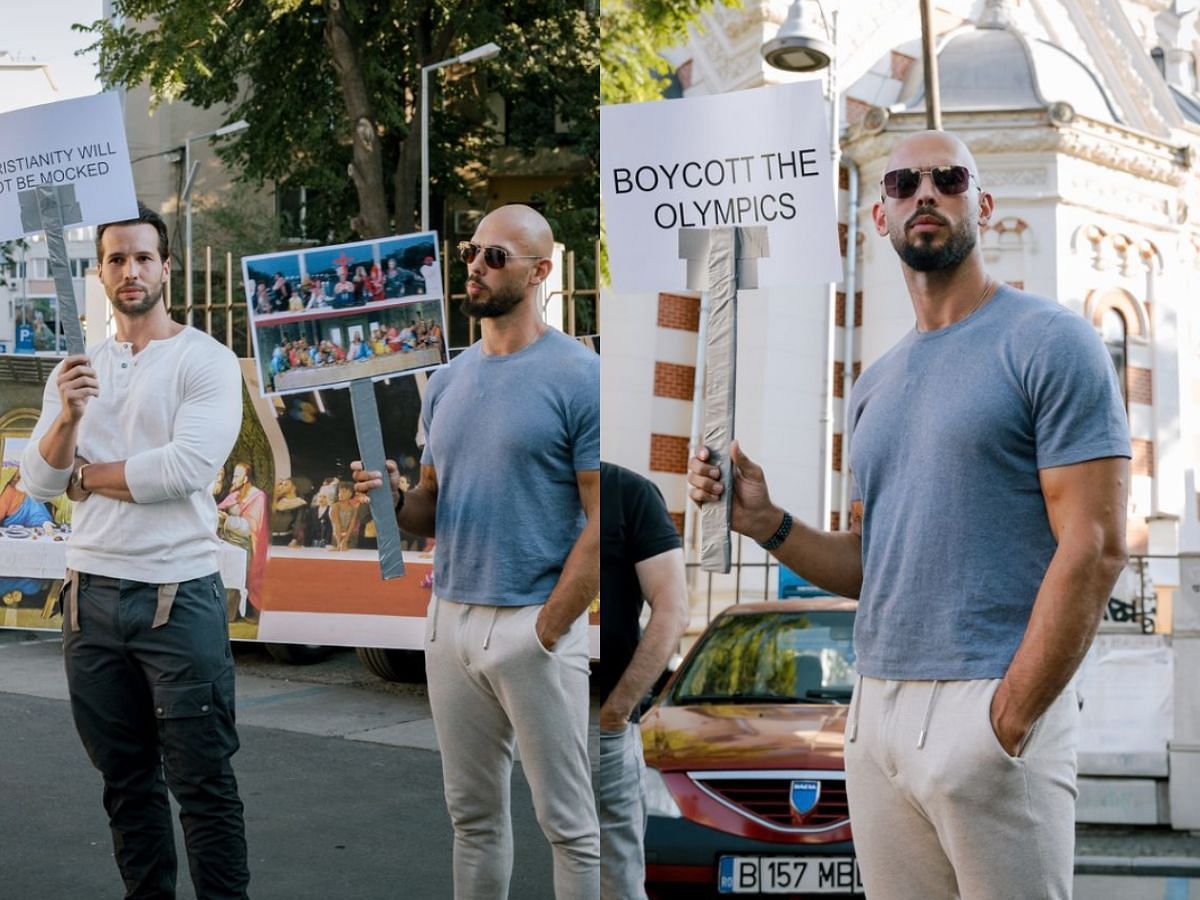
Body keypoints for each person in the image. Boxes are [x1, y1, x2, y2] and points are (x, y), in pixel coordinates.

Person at [687, 130, 1130, 900]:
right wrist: (767, 523)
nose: (924, 193)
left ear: (981, 204)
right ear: (878, 218)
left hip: (988, 702)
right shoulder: (875, 385)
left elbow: (1095, 545)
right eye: (902, 184)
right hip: (877, 711)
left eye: (948, 178)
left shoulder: (1049, 340)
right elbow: (875, 561)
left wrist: (1008, 720)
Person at [352, 204, 600, 899]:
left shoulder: (581, 375)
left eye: (496, 256)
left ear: (541, 271)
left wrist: (549, 628)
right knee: (472, 818)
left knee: (570, 825)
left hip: (532, 623)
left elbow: (603, 521)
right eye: (471, 252)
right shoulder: (450, 380)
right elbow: (433, 504)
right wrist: (395, 499)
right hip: (450, 618)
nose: (475, 266)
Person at [19, 203, 249, 899]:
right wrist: (68, 417)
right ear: (100, 272)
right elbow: (37, 478)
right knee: (125, 785)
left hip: (177, 600)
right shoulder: (78, 368)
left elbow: (180, 471)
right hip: (90, 600)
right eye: (117, 259)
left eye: (144, 257)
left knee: (202, 785)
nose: (131, 270)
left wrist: (86, 476)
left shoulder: (203, 359)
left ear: (167, 267)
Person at [596, 462, 688, 900]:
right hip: (524, 717)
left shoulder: (627, 492)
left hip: (601, 728)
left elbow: (672, 610)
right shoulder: (521, 486)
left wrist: (615, 713)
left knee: (617, 880)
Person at [218, 461, 270, 620]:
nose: (233, 479)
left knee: (233, 578)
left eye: (236, 476)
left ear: (246, 478)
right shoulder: (235, 494)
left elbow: (250, 528)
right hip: (227, 542)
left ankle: (230, 614)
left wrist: (227, 520)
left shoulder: (257, 497)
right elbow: (220, 508)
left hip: (245, 547)